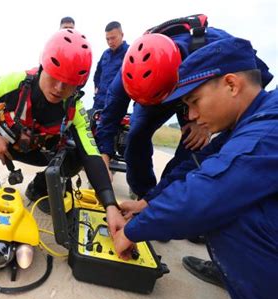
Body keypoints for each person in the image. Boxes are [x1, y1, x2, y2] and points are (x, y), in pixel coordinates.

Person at [111, 37, 278, 299]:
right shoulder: (252, 119)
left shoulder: (266, 132)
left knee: (228, 214)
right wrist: (148, 203)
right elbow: (198, 166)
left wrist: (132, 231)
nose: (190, 114)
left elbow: (207, 193)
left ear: (232, 85)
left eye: (194, 101)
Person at [0, 29, 124, 226]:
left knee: (78, 155)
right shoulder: (15, 81)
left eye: (69, 84)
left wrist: (110, 205)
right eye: (55, 76)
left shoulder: (75, 108)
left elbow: (92, 155)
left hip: (41, 153)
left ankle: (39, 187)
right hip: (4, 146)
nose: (59, 88)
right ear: (43, 67)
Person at [95, 15, 273, 200]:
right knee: (136, 134)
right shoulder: (127, 74)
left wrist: (204, 123)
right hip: (157, 93)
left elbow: (257, 77)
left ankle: (166, 197)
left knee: (194, 143)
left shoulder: (213, 44)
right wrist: (104, 155)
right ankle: (145, 195)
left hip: (189, 85)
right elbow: (109, 116)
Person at [92, 21, 129, 113]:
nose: (110, 42)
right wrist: (96, 88)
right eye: (107, 39)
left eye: (113, 38)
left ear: (122, 35)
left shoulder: (129, 53)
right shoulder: (105, 54)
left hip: (116, 104)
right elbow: (98, 73)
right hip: (98, 102)